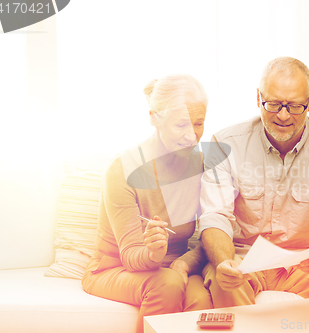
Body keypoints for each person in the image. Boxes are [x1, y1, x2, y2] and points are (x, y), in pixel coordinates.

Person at [199, 57, 309, 323]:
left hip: (308, 264)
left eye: (295, 106)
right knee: (222, 277)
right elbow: (215, 217)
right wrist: (225, 261)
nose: (283, 116)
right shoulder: (223, 143)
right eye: (273, 104)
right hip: (246, 261)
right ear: (258, 97)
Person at [82, 74, 212, 333]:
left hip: (175, 267)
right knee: (168, 285)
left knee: (201, 298)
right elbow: (130, 256)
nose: (192, 136)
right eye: (181, 125)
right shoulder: (122, 169)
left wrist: (185, 262)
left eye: (199, 124)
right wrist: (154, 253)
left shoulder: (201, 165)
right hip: (115, 267)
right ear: (154, 118)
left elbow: (210, 235)